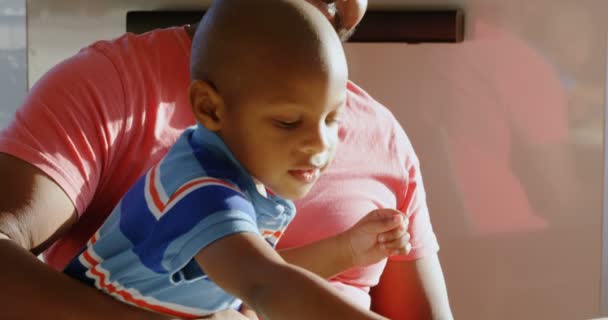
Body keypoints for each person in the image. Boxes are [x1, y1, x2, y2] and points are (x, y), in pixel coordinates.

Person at [0, 0, 452, 319]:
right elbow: (264, 282)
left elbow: (251, 275)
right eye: (288, 122)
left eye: (333, 119)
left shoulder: (381, 136)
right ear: (211, 109)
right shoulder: (199, 188)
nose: (321, 145)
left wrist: (347, 250)